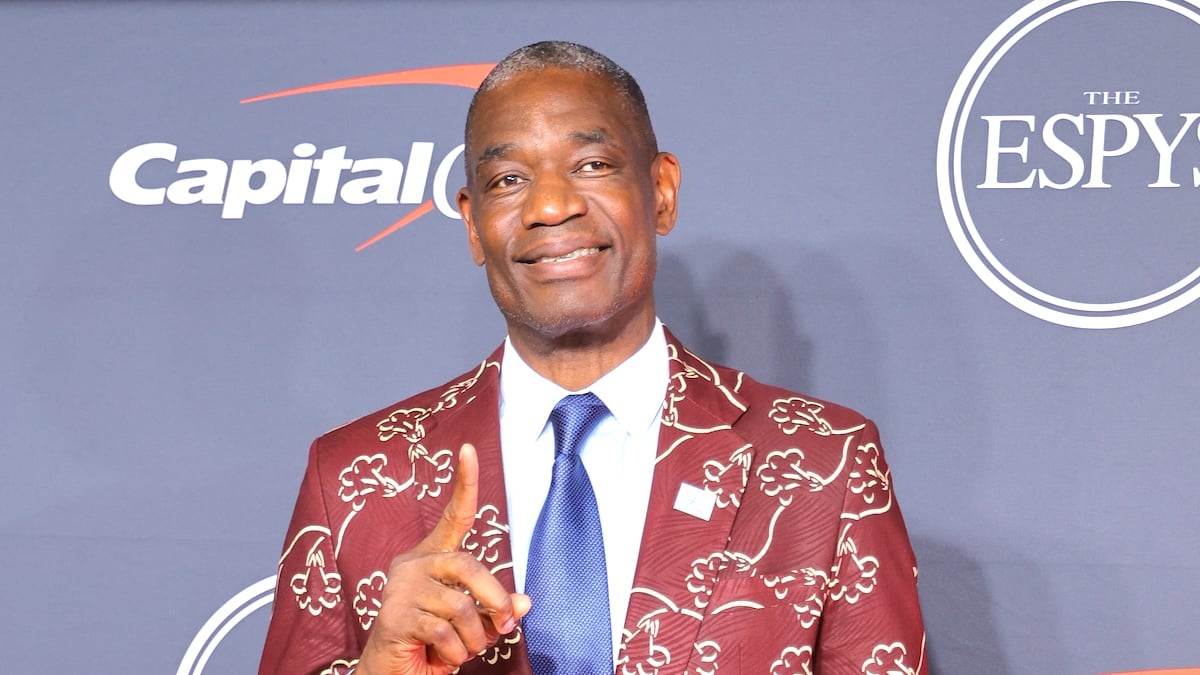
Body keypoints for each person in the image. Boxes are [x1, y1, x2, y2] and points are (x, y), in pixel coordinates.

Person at [259, 41, 927, 675]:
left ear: (661, 190)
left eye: (592, 165)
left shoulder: (826, 463)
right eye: (509, 178)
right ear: (472, 222)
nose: (550, 205)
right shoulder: (351, 477)